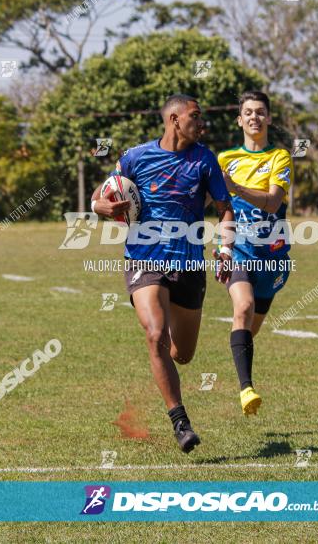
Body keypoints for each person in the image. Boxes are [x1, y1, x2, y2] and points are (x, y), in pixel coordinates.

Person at [91, 94, 235, 452]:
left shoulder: (205, 160)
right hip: (144, 259)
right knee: (155, 334)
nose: (202, 124)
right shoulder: (136, 157)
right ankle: (180, 422)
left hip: (188, 265)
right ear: (173, 119)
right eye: (195, 117)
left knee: (182, 354)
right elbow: (98, 197)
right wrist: (104, 206)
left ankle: (167, 348)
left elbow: (225, 209)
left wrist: (225, 248)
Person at [216, 91, 294, 415]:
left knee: (249, 330)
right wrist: (223, 247)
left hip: (273, 257)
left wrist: (235, 188)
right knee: (243, 307)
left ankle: (240, 363)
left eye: (260, 112)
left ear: (269, 118)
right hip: (239, 250)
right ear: (239, 119)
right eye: (248, 112)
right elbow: (220, 208)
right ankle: (246, 389)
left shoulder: (280, 157)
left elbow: (274, 202)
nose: (254, 118)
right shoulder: (223, 160)